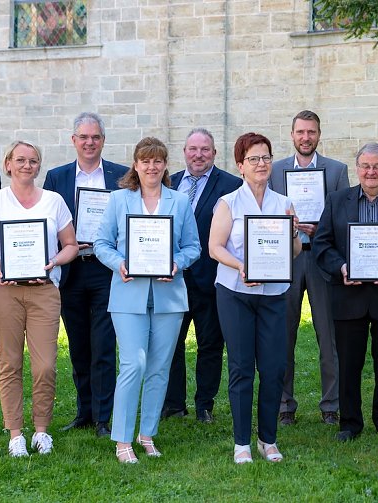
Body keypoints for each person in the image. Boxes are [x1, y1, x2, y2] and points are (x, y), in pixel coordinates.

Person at [0, 140, 79, 457]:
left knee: (45, 366)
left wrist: (55, 261)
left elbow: (70, 244)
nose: (26, 165)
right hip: (4, 290)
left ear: (38, 166)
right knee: (10, 363)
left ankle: (41, 431)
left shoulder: (54, 201)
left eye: (33, 160)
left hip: (44, 290)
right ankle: (15, 433)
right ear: (8, 164)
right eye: (20, 160)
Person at [94, 137, 200, 464]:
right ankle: (123, 440)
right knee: (133, 363)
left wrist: (177, 263)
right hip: (128, 294)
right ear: (135, 165)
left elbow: (193, 247)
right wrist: (119, 264)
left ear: (165, 165)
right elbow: (101, 243)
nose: (151, 167)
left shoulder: (180, 202)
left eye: (157, 161)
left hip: (169, 296)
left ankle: (147, 434)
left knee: (159, 368)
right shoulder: (118, 200)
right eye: (145, 161)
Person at [209, 132, 302, 464]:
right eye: (253, 159)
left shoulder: (284, 203)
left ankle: (268, 439)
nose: (261, 164)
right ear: (240, 166)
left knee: (275, 367)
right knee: (241, 367)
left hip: (274, 294)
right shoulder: (229, 203)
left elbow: (294, 251)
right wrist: (241, 265)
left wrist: (292, 232)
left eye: (266, 158)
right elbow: (215, 247)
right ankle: (241, 443)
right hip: (235, 293)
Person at [43, 112, 128, 438]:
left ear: (103, 140)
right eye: (83, 137)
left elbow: (128, 220)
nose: (89, 142)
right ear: (74, 140)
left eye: (95, 137)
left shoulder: (121, 175)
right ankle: (85, 412)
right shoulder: (57, 176)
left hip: (107, 270)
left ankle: (104, 417)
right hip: (71, 270)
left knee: (104, 344)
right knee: (79, 345)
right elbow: (49, 221)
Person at [312, 142, 378, 442]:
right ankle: (350, 423)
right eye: (365, 165)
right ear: (357, 168)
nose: (371, 171)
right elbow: (322, 245)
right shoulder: (338, 200)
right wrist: (341, 267)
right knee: (349, 364)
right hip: (347, 295)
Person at [269, 110, 349, 426]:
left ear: (319, 134)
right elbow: (266, 214)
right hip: (286, 259)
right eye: (300, 132)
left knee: (328, 335)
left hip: (321, 259)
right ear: (292, 135)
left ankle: (331, 404)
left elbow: (343, 220)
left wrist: (323, 227)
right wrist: (285, 226)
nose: (306, 137)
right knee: (283, 334)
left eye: (311, 132)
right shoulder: (276, 172)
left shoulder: (336, 171)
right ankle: (285, 405)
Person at [162, 128, 242, 423]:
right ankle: (173, 403)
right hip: (172, 278)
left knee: (211, 343)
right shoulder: (168, 183)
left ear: (214, 153)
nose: (198, 155)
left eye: (205, 149)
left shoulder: (231, 185)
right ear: (184, 152)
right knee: (171, 342)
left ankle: (204, 405)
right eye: (193, 149)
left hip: (210, 278)